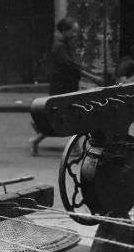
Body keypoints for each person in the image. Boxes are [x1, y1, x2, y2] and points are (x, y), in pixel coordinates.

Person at [28, 17, 102, 156]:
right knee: (66, 116)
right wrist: (93, 78)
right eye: (73, 31)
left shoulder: (65, 44)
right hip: (62, 87)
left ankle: (70, 146)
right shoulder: (59, 46)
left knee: (67, 116)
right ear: (64, 31)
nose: (75, 34)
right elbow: (71, 66)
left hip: (68, 85)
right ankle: (39, 138)